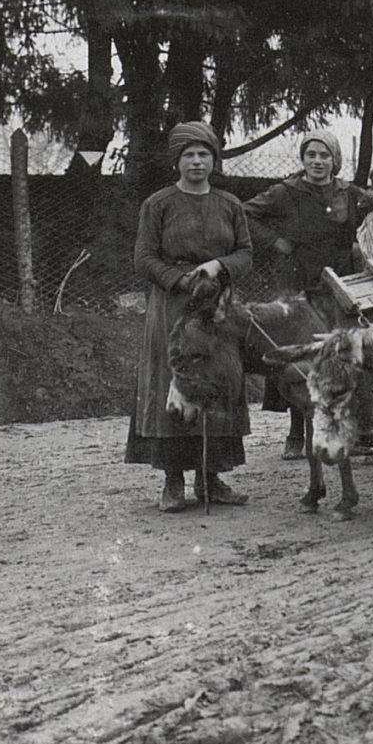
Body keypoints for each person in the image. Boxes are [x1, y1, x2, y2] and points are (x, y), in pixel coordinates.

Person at [125, 122, 254, 512]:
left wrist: (219, 266)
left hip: (217, 307)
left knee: (219, 380)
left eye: (204, 154)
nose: (197, 162)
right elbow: (143, 258)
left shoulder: (230, 205)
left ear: (214, 160)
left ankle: (211, 479)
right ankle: (173, 482)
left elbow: (246, 253)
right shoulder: (158, 204)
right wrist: (180, 280)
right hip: (172, 307)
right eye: (189, 155)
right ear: (177, 161)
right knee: (174, 381)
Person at [244, 129, 373, 459]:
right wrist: (274, 241)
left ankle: (343, 431)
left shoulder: (348, 193)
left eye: (324, 156)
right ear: (303, 159)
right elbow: (244, 213)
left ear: (335, 160)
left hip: (337, 281)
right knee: (296, 354)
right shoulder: (286, 191)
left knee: (338, 353)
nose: (317, 162)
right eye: (311, 155)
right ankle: (295, 434)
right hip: (297, 278)